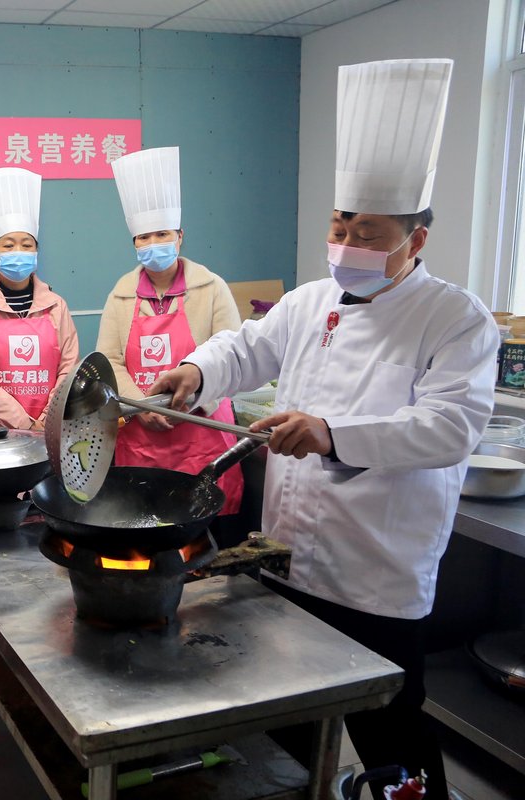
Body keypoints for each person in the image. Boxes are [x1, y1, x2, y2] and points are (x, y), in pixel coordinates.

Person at [150, 59, 497, 799]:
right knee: (289, 717)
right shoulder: (313, 300)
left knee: (391, 726)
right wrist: (198, 372)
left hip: (375, 570)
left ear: (418, 239)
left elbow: (450, 427)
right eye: (340, 226)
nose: (347, 241)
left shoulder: (455, 318)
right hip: (288, 553)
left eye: (368, 231)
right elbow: (248, 347)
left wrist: (333, 433)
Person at [95, 146, 244, 543]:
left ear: (180, 236)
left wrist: (189, 405)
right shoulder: (121, 294)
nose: (153, 243)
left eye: (162, 234)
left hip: (202, 432)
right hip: (141, 437)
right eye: (144, 236)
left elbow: (231, 353)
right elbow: (110, 362)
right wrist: (143, 408)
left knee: (203, 538)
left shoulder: (212, 288)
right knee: (146, 536)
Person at [0, 166, 78, 433]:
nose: (19, 251)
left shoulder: (57, 305)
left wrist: (47, 419)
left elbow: (68, 370)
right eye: (8, 245)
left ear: (36, 251)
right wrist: (25, 425)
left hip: (51, 432)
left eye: (27, 245)